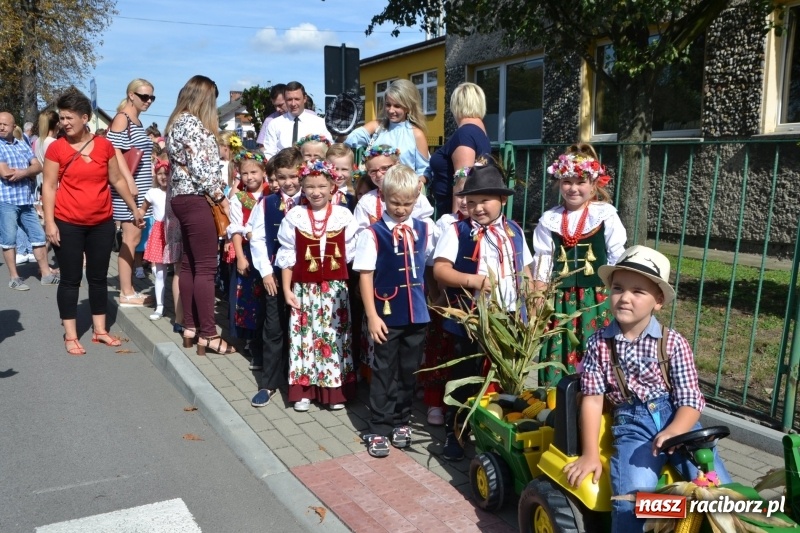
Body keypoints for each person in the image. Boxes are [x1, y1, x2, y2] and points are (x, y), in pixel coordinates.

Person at [564, 245, 732, 533]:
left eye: (637, 291)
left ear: (658, 301)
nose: (625, 298)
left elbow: (691, 399)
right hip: (632, 427)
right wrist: (590, 453)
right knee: (632, 499)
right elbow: (592, 401)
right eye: (618, 288)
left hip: (679, 422)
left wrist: (676, 429)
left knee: (724, 494)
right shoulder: (599, 344)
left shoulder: (673, 343)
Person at [432, 160, 535, 461]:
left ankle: (498, 431)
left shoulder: (514, 231)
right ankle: (457, 432)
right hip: (470, 320)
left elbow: (525, 268)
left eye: (485, 201)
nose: (477, 208)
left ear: (502, 200)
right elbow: (440, 270)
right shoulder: (457, 231)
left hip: (508, 317)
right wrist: (472, 280)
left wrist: (532, 299)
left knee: (505, 377)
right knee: (464, 376)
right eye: (471, 201)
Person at [41, 91, 143, 354]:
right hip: (68, 223)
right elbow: (50, 187)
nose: (64, 122)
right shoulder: (57, 148)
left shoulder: (104, 146)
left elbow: (118, 180)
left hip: (101, 223)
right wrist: (50, 223)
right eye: (61, 117)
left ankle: (100, 331)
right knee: (71, 279)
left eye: (69, 117)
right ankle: (71, 335)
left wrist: (134, 209)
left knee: (97, 278)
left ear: (85, 118)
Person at [354, 164, 434, 457]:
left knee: (409, 370)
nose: (401, 209)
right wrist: (372, 316)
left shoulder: (425, 228)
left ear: (417, 199)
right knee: (384, 370)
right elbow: (364, 274)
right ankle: (378, 427)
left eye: (407, 203)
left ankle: (402, 419)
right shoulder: (373, 233)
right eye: (394, 203)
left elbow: (430, 266)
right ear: (383, 198)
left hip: (418, 315)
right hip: (386, 316)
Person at [532, 143, 627, 386]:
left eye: (580, 181)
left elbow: (617, 256)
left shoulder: (604, 215)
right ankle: (556, 401)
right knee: (558, 347)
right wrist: (539, 295)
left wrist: (617, 292)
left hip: (596, 299)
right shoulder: (550, 220)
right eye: (567, 181)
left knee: (595, 348)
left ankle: (597, 400)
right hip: (560, 301)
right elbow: (544, 260)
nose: (573, 188)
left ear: (594, 183)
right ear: (559, 183)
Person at [276, 159, 358, 412]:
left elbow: (353, 255)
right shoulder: (296, 215)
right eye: (310, 186)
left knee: (332, 337)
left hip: (335, 292)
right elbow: (287, 255)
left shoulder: (344, 215)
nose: (316, 192)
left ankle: (334, 391)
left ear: (333, 186)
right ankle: (303, 391)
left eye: (322, 185)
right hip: (304, 289)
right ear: (302, 187)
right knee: (305, 339)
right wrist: (287, 290)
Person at [165, 74, 236, 356]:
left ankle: (191, 327)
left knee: (191, 264)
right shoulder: (192, 124)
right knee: (206, 268)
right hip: (197, 199)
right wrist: (222, 198)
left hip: (181, 198)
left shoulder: (175, 123)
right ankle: (208, 333)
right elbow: (202, 168)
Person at [247, 147, 304, 407]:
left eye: (293, 176)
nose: (288, 182)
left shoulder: (312, 199)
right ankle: (269, 383)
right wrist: (266, 272)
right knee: (273, 327)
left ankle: (302, 382)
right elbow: (257, 238)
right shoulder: (267, 203)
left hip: (306, 278)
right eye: (282, 177)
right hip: (274, 275)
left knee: (304, 329)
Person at [419, 176, 470, 426]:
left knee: (467, 354)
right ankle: (435, 401)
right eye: (460, 195)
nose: (465, 201)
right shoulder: (447, 222)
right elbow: (431, 263)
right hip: (447, 299)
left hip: (476, 304)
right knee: (441, 350)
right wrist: (435, 294)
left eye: (470, 196)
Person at [107, 78, 155, 307]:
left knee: (135, 237)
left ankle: (129, 289)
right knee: (130, 238)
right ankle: (126, 292)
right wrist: (128, 181)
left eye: (151, 97)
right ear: (131, 95)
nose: (148, 101)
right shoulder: (122, 118)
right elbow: (113, 150)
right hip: (130, 189)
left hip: (141, 187)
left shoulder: (135, 120)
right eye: (144, 96)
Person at [0, 111, 60, 290]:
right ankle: (14, 277)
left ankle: (46, 274)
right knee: (9, 239)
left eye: (5, 124)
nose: (1, 127)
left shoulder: (21, 144)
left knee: (38, 236)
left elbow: (38, 166)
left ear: (13, 126)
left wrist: (21, 172)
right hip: (6, 200)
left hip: (26, 200)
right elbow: (5, 173)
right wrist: (27, 171)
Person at [426, 82, 492, 216]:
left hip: (455, 214)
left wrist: (456, 224)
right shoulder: (479, 131)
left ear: (455, 105)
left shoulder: (464, 134)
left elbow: (462, 181)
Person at [226, 150, 268, 361]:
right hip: (248, 252)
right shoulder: (239, 199)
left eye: (254, 172)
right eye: (245, 173)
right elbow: (235, 229)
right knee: (248, 297)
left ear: (263, 171)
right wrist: (241, 257)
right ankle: (250, 340)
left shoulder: (271, 193)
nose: (250, 177)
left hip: (269, 253)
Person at [345, 79, 430, 179]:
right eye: (388, 105)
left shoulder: (416, 134)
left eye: (397, 106)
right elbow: (349, 140)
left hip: (403, 190)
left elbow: (424, 171)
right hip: (375, 189)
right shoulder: (377, 126)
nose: (391, 110)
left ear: (408, 107)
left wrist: (418, 184)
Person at [353, 145, 434, 232]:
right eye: (373, 171)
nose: (379, 174)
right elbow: (360, 232)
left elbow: (426, 228)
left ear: (397, 164)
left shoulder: (415, 196)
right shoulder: (367, 202)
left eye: (384, 168)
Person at [263, 82, 333, 158]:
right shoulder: (274, 124)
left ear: (305, 99)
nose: (293, 104)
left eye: (297, 99)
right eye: (289, 99)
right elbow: (269, 154)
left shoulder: (319, 123)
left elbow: (328, 150)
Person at [139, 159, 170, 320]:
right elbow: (142, 210)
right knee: (159, 273)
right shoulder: (152, 192)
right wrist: (139, 218)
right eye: (160, 174)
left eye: (166, 173)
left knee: (178, 271)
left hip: (174, 232)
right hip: (159, 232)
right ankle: (160, 306)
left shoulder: (175, 191)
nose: (163, 177)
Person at [255, 83, 287, 148]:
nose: (277, 109)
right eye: (275, 106)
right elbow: (262, 146)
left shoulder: (308, 117)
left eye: (280, 105)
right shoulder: (270, 120)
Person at [326, 143, 355, 209]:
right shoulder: (319, 193)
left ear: (351, 169)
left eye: (344, 169)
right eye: (335, 169)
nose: (339, 174)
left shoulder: (353, 197)